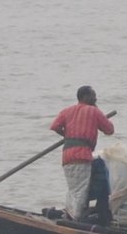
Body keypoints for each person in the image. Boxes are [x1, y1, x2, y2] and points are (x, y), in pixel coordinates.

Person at [49, 88, 114, 222]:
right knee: (80, 191)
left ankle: (69, 214)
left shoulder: (67, 111)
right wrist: (96, 110)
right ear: (85, 97)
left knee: (73, 189)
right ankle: (76, 220)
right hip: (82, 155)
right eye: (93, 96)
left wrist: (68, 136)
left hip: (67, 155)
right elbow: (109, 130)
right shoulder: (94, 111)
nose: (95, 99)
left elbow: (55, 126)